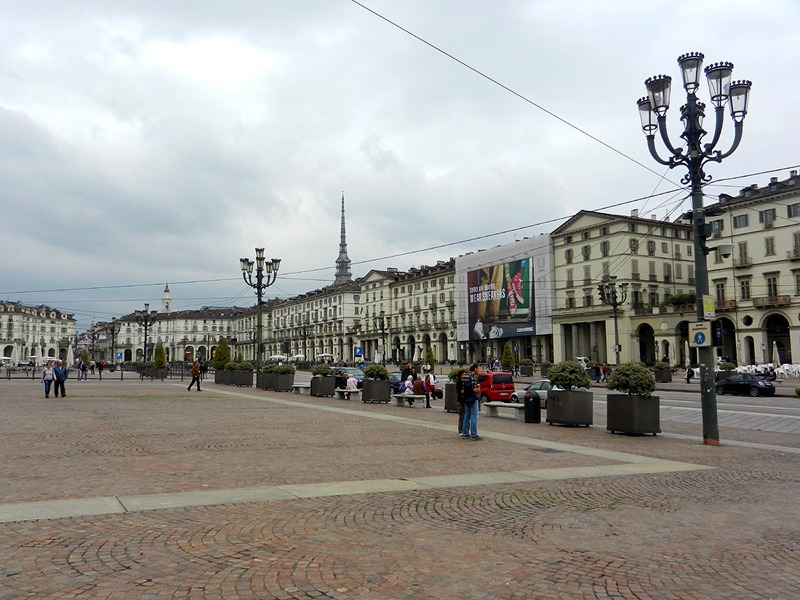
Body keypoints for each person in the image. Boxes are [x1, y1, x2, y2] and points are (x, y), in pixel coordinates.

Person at [460, 363, 481, 440]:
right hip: (473, 398)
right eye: (478, 368)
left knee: (466, 416)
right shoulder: (474, 377)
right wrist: (479, 388)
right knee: (474, 416)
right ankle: (473, 434)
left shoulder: (465, 376)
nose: (478, 370)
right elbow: (476, 390)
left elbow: (462, 388)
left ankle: (465, 433)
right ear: (475, 369)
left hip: (465, 398)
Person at [454, 368, 467, 434]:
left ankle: (465, 429)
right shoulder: (459, 382)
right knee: (462, 416)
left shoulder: (465, 381)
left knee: (466, 416)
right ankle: (461, 430)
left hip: (465, 400)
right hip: (460, 401)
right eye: (463, 374)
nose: (464, 375)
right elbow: (460, 391)